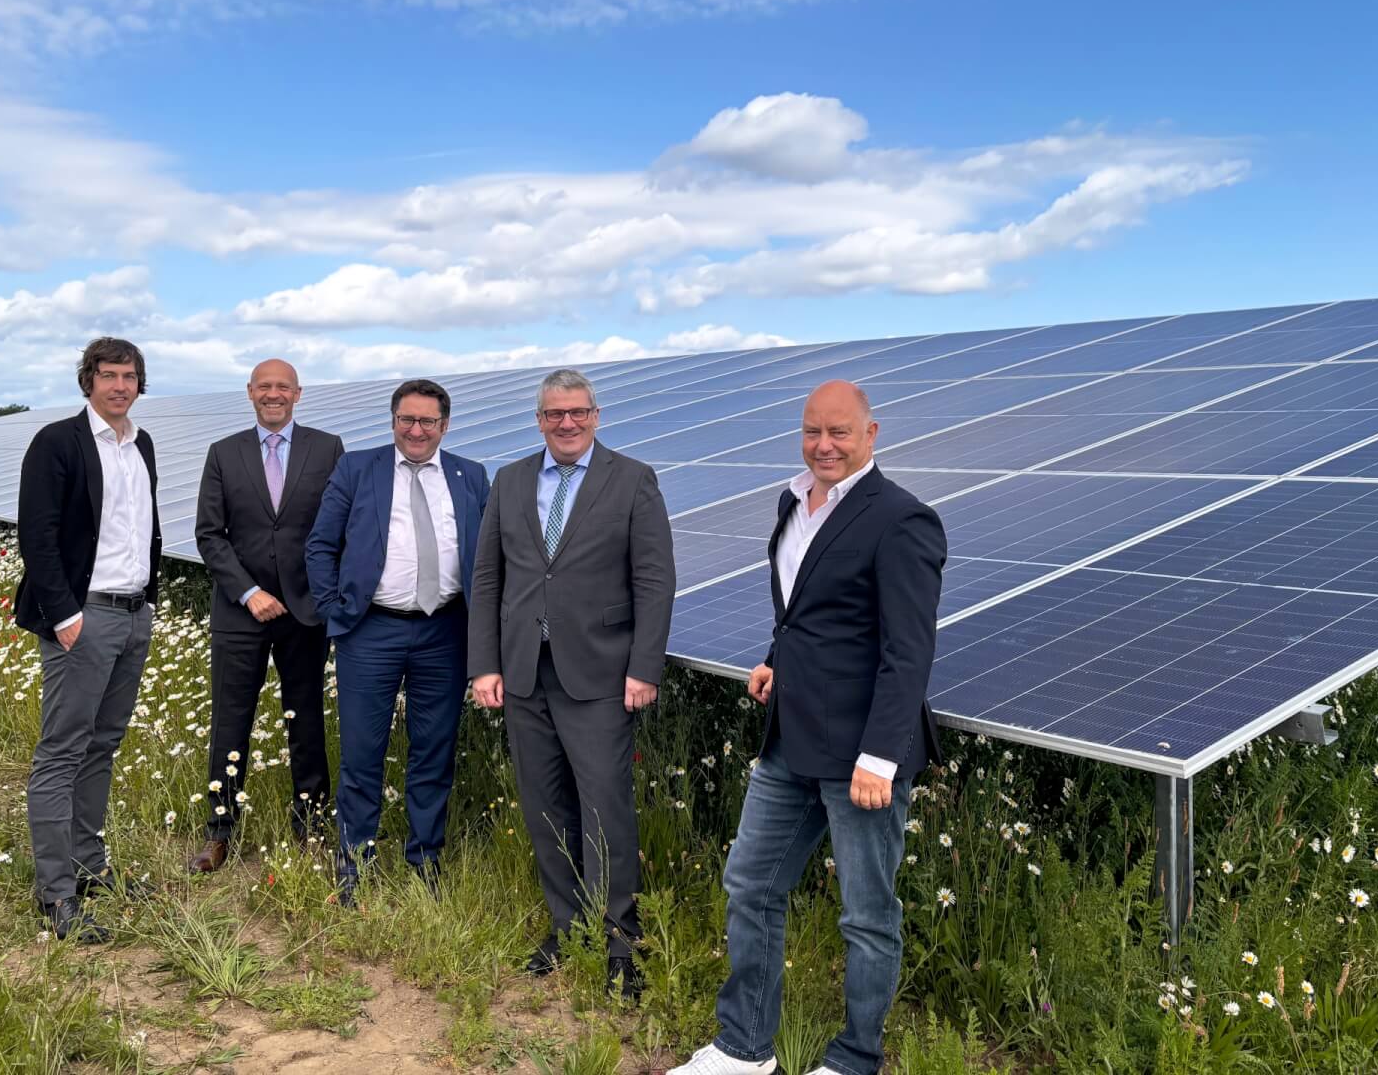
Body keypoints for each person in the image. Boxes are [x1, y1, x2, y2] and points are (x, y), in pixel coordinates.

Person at [669, 380, 946, 1075]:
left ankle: (856, 1057)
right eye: (812, 431)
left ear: (871, 434)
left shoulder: (902, 519)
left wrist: (880, 756)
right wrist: (776, 659)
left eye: (839, 432)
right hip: (790, 737)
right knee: (750, 884)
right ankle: (744, 1049)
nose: (824, 445)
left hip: (861, 754)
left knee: (866, 914)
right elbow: (803, 613)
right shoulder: (792, 502)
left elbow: (908, 651)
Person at [469, 367, 675, 1000]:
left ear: (595, 416)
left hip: (602, 673)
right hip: (523, 670)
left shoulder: (632, 479)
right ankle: (568, 928)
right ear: (539, 420)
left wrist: (644, 667)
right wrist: (485, 664)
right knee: (543, 806)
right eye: (554, 413)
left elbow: (654, 580)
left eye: (578, 412)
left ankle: (620, 941)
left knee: (604, 808)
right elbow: (488, 577)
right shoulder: (510, 480)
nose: (567, 422)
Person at [305, 379, 490, 905]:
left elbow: (490, 555)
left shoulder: (471, 476)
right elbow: (320, 546)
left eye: (427, 421)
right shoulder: (357, 469)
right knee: (362, 752)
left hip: (445, 631)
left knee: (434, 752)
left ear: (444, 425)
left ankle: (425, 862)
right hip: (371, 630)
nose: (416, 430)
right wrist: (335, 611)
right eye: (407, 419)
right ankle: (354, 864)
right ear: (393, 421)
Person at [14, 336, 163, 943]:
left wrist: (149, 601)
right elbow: (37, 535)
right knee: (62, 751)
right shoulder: (58, 442)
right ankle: (56, 893)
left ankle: (88, 866)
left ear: (139, 383)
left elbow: (143, 527)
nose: (119, 386)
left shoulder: (141, 444)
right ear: (89, 381)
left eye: (129, 376)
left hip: (133, 614)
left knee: (102, 745)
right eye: (108, 375)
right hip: (85, 616)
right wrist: (65, 616)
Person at [189, 359, 344, 873]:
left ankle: (311, 826)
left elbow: (338, 525)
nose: (273, 394)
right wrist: (249, 591)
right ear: (250, 392)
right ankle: (219, 830)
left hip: (305, 611)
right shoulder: (223, 452)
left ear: (298, 393)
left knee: (307, 720)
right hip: (240, 613)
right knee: (230, 719)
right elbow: (210, 534)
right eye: (264, 386)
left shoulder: (328, 448)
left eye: (283, 387)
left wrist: (328, 594)